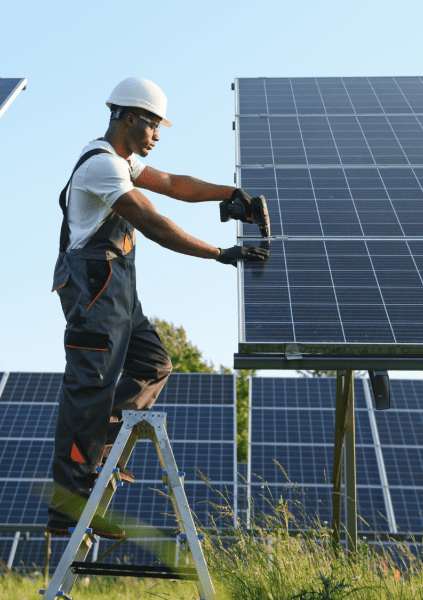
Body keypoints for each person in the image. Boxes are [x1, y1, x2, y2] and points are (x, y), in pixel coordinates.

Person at [47, 77, 268, 539]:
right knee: (90, 387)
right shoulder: (102, 167)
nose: (157, 135)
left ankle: (102, 453)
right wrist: (218, 253)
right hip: (93, 290)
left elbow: (173, 184)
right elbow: (152, 222)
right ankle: (71, 501)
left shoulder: (123, 164)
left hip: (117, 291)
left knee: (153, 364)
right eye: (153, 125)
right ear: (128, 117)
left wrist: (228, 195)